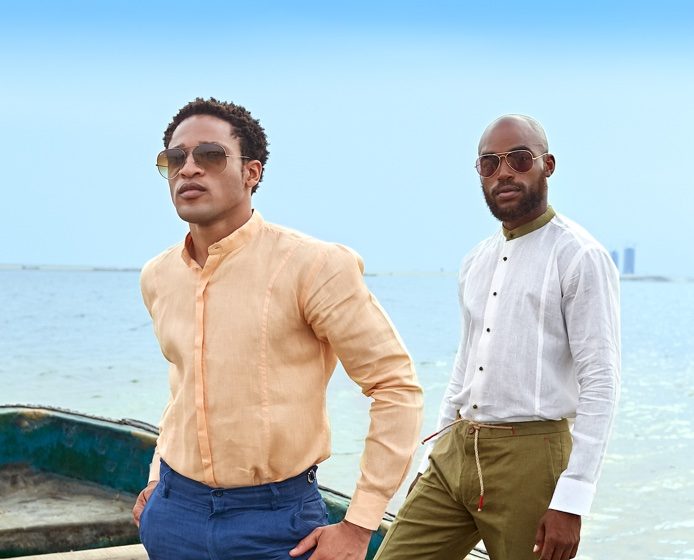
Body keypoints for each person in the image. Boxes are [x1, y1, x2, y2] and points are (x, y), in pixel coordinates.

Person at [131, 97, 423, 560]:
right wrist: (155, 477)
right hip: (174, 515)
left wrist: (358, 525)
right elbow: (182, 387)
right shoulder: (158, 276)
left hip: (277, 523)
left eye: (210, 155)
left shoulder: (313, 266)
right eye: (175, 158)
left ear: (252, 172)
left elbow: (395, 387)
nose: (188, 169)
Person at [374, 115, 620, 560]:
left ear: (547, 165)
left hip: (531, 457)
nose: (503, 172)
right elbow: (464, 365)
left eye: (518, 159)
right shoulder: (475, 260)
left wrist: (572, 499)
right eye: (489, 164)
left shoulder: (579, 256)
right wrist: (434, 456)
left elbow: (601, 381)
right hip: (456, 451)